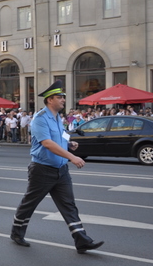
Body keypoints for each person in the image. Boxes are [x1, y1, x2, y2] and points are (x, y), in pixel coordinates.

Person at [10, 80, 104, 254]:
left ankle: (82, 240)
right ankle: (16, 232)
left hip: (61, 171)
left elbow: (60, 137)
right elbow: (47, 143)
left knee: (69, 205)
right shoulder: (40, 119)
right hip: (42, 170)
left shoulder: (57, 118)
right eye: (60, 97)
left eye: (63, 97)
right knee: (30, 203)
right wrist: (73, 157)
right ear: (49, 100)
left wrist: (69, 144)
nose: (63, 99)